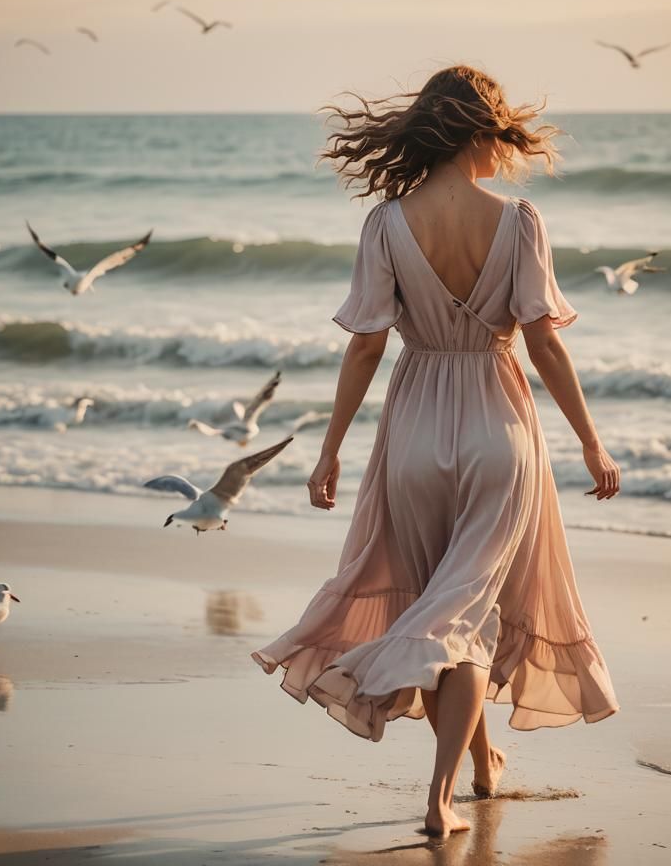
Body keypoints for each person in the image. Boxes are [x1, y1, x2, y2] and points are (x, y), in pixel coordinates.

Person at [252, 65, 619, 838]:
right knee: (463, 620)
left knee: (446, 614)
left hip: (413, 431)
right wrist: (590, 441)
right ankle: (439, 801)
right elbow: (545, 345)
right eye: (499, 134)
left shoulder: (387, 223)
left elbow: (364, 350)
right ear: (480, 131)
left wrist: (329, 450)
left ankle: (482, 766)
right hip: (496, 425)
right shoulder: (519, 219)